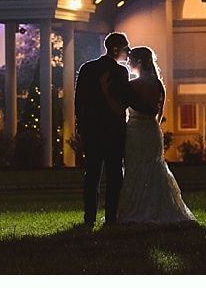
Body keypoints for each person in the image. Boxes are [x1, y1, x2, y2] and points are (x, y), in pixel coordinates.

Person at [109, 46, 196, 225]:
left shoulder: (133, 85)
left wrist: (105, 90)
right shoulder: (158, 85)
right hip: (152, 131)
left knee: (135, 168)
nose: (129, 62)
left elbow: (118, 108)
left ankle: (137, 209)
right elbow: (158, 115)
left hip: (136, 132)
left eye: (131, 59)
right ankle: (160, 208)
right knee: (155, 168)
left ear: (139, 62)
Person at [75, 32, 155, 227]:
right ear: (115, 49)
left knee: (92, 174)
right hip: (113, 131)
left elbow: (79, 102)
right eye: (126, 49)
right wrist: (148, 108)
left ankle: (89, 217)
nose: (128, 53)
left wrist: (83, 127)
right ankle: (111, 216)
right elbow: (124, 99)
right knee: (113, 175)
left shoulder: (87, 69)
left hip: (92, 131)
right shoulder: (119, 72)